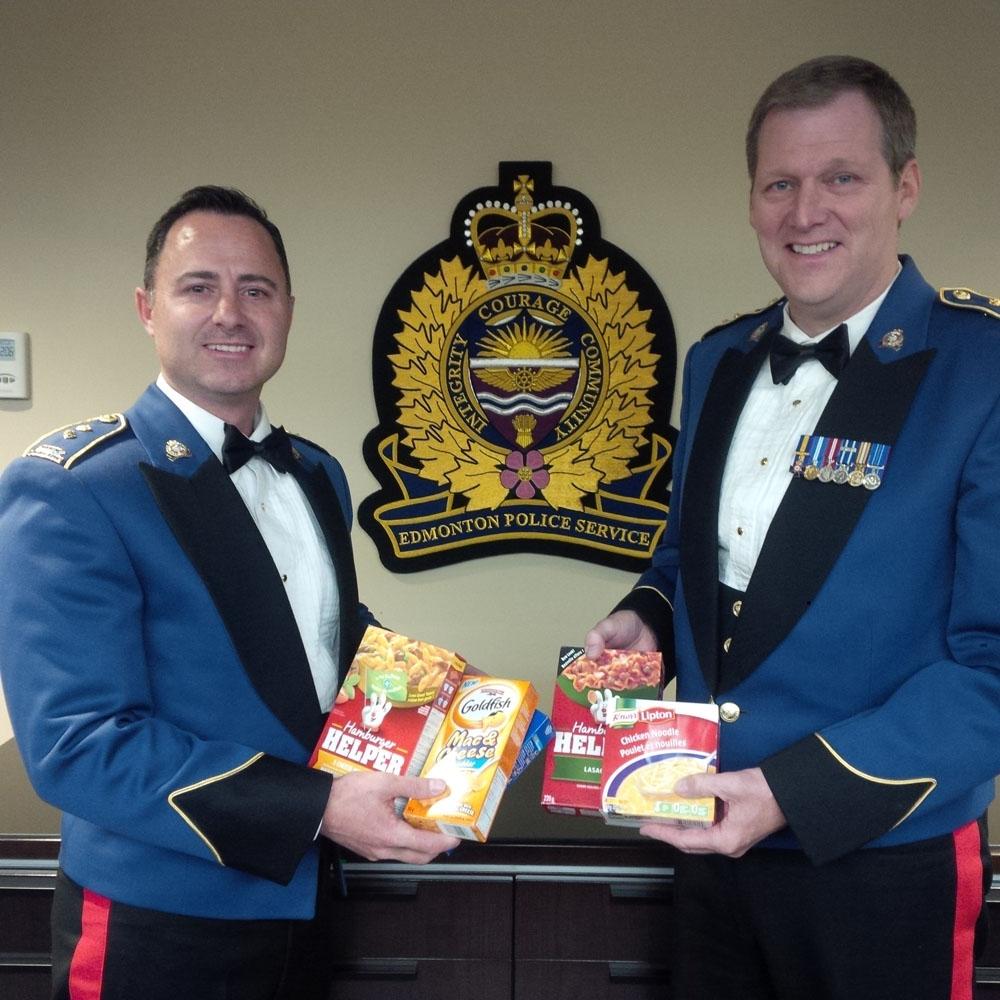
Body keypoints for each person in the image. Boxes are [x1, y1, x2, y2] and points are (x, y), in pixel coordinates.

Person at [586, 56, 1000, 1000]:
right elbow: (694, 559)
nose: (805, 211)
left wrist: (789, 794)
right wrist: (645, 618)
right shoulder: (718, 359)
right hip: (705, 833)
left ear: (905, 188)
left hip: (878, 854)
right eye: (780, 183)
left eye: (840, 178)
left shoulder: (982, 371)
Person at [0, 186, 459, 1000]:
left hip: (305, 900)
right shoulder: (73, 488)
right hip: (158, 916)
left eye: (257, 289)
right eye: (198, 286)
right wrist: (317, 809)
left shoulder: (315, 471)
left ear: (287, 310)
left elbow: (326, 643)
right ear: (148, 308)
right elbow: (79, 745)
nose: (230, 313)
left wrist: (467, 714)